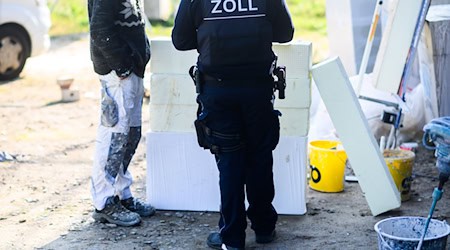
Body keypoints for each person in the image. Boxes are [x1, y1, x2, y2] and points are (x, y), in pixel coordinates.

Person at [172, 0, 294, 249]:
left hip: (218, 91)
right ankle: (264, 227)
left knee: (230, 161)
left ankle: (233, 237)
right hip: (257, 91)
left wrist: (211, 39)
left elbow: (181, 40)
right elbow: (285, 33)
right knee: (260, 156)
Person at [87, 0, 155, 227]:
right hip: (117, 75)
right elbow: (99, 29)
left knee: (131, 135)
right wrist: (121, 65)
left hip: (131, 70)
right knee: (114, 138)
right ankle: (104, 202)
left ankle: (122, 194)